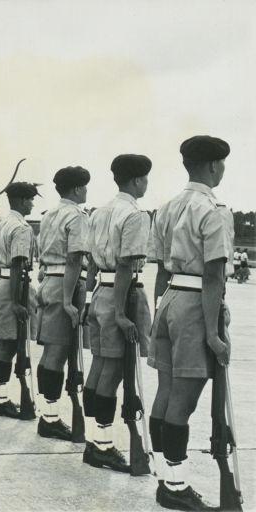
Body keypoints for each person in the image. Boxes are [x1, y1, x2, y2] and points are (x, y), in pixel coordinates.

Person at [148, 135, 233, 510]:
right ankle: (176, 488)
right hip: (197, 304)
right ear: (213, 166)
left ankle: (163, 473)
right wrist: (213, 334)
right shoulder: (214, 209)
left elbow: (161, 267)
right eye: (222, 164)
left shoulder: (167, 207)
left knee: (166, 392)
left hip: (170, 300)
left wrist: (160, 312)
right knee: (184, 399)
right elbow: (214, 275)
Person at [82, 155, 152, 472]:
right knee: (110, 371)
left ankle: (94, 438)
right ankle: (104, 446)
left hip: (100, 292)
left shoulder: (99, 212)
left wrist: (89, 296)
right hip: (120, 295)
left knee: (99, 366)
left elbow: (93, 262)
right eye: (145, 179)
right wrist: (123, 314)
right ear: (137, 180)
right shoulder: (134, 214)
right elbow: (125, 265)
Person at [36, 166, 90, 441]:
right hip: (65, 285)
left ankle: (47, 412)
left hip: (48, 282)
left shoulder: (49, 216)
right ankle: (50, 418)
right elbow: (74, 259)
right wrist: (69, 300)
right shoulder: (76, 216)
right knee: (57, 354)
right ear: (78, 189)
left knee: (49, 353)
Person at [0, 182, 40, 418]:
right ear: (20, 200)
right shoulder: (21, 227)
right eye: (30, 199)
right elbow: (19, 263)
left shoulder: (3, 223)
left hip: (1, 283)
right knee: (8, 345)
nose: (32, 204)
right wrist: (17, 302)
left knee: (3, 343)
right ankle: (0, 399)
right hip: (13, 286)